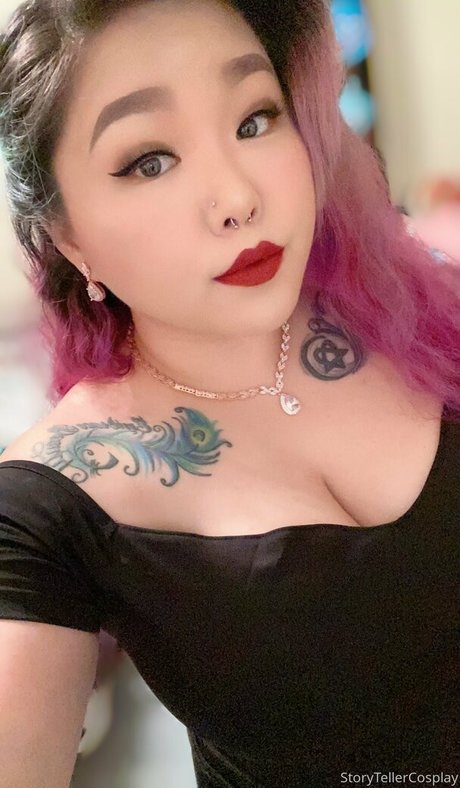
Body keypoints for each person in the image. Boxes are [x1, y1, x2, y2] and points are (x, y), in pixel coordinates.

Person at [0, 0, 458, 785]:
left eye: (254, 119)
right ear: (68, 238)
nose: (237, 197)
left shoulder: (423, 316)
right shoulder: (51, 505)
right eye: (150, 160)